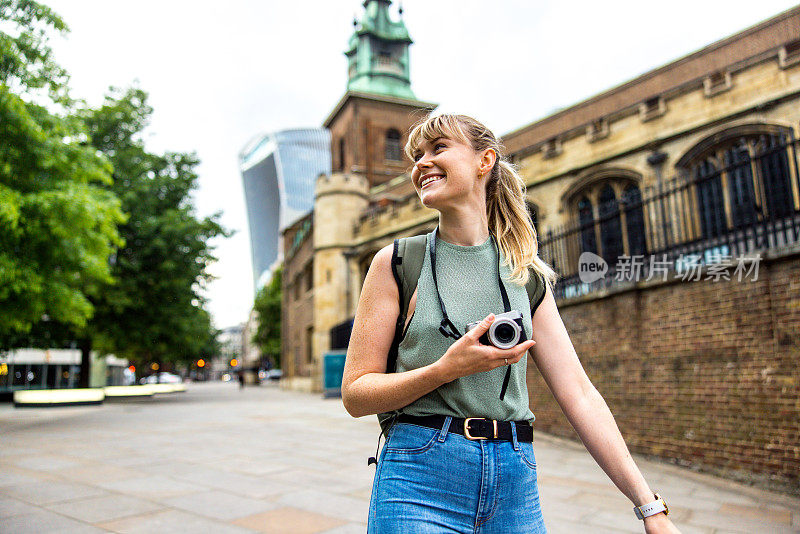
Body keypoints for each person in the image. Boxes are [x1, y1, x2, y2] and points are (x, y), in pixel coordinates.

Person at [342, 113, 680, 533]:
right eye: (417, 156)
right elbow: (356, 394)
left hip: (515, 481)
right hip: (418, 478)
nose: (420, 164)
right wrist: (445, 370)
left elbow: (579, 395)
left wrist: (650, 508)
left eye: (438, 148)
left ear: (485, 161)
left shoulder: (526, 274)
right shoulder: (397, 262)